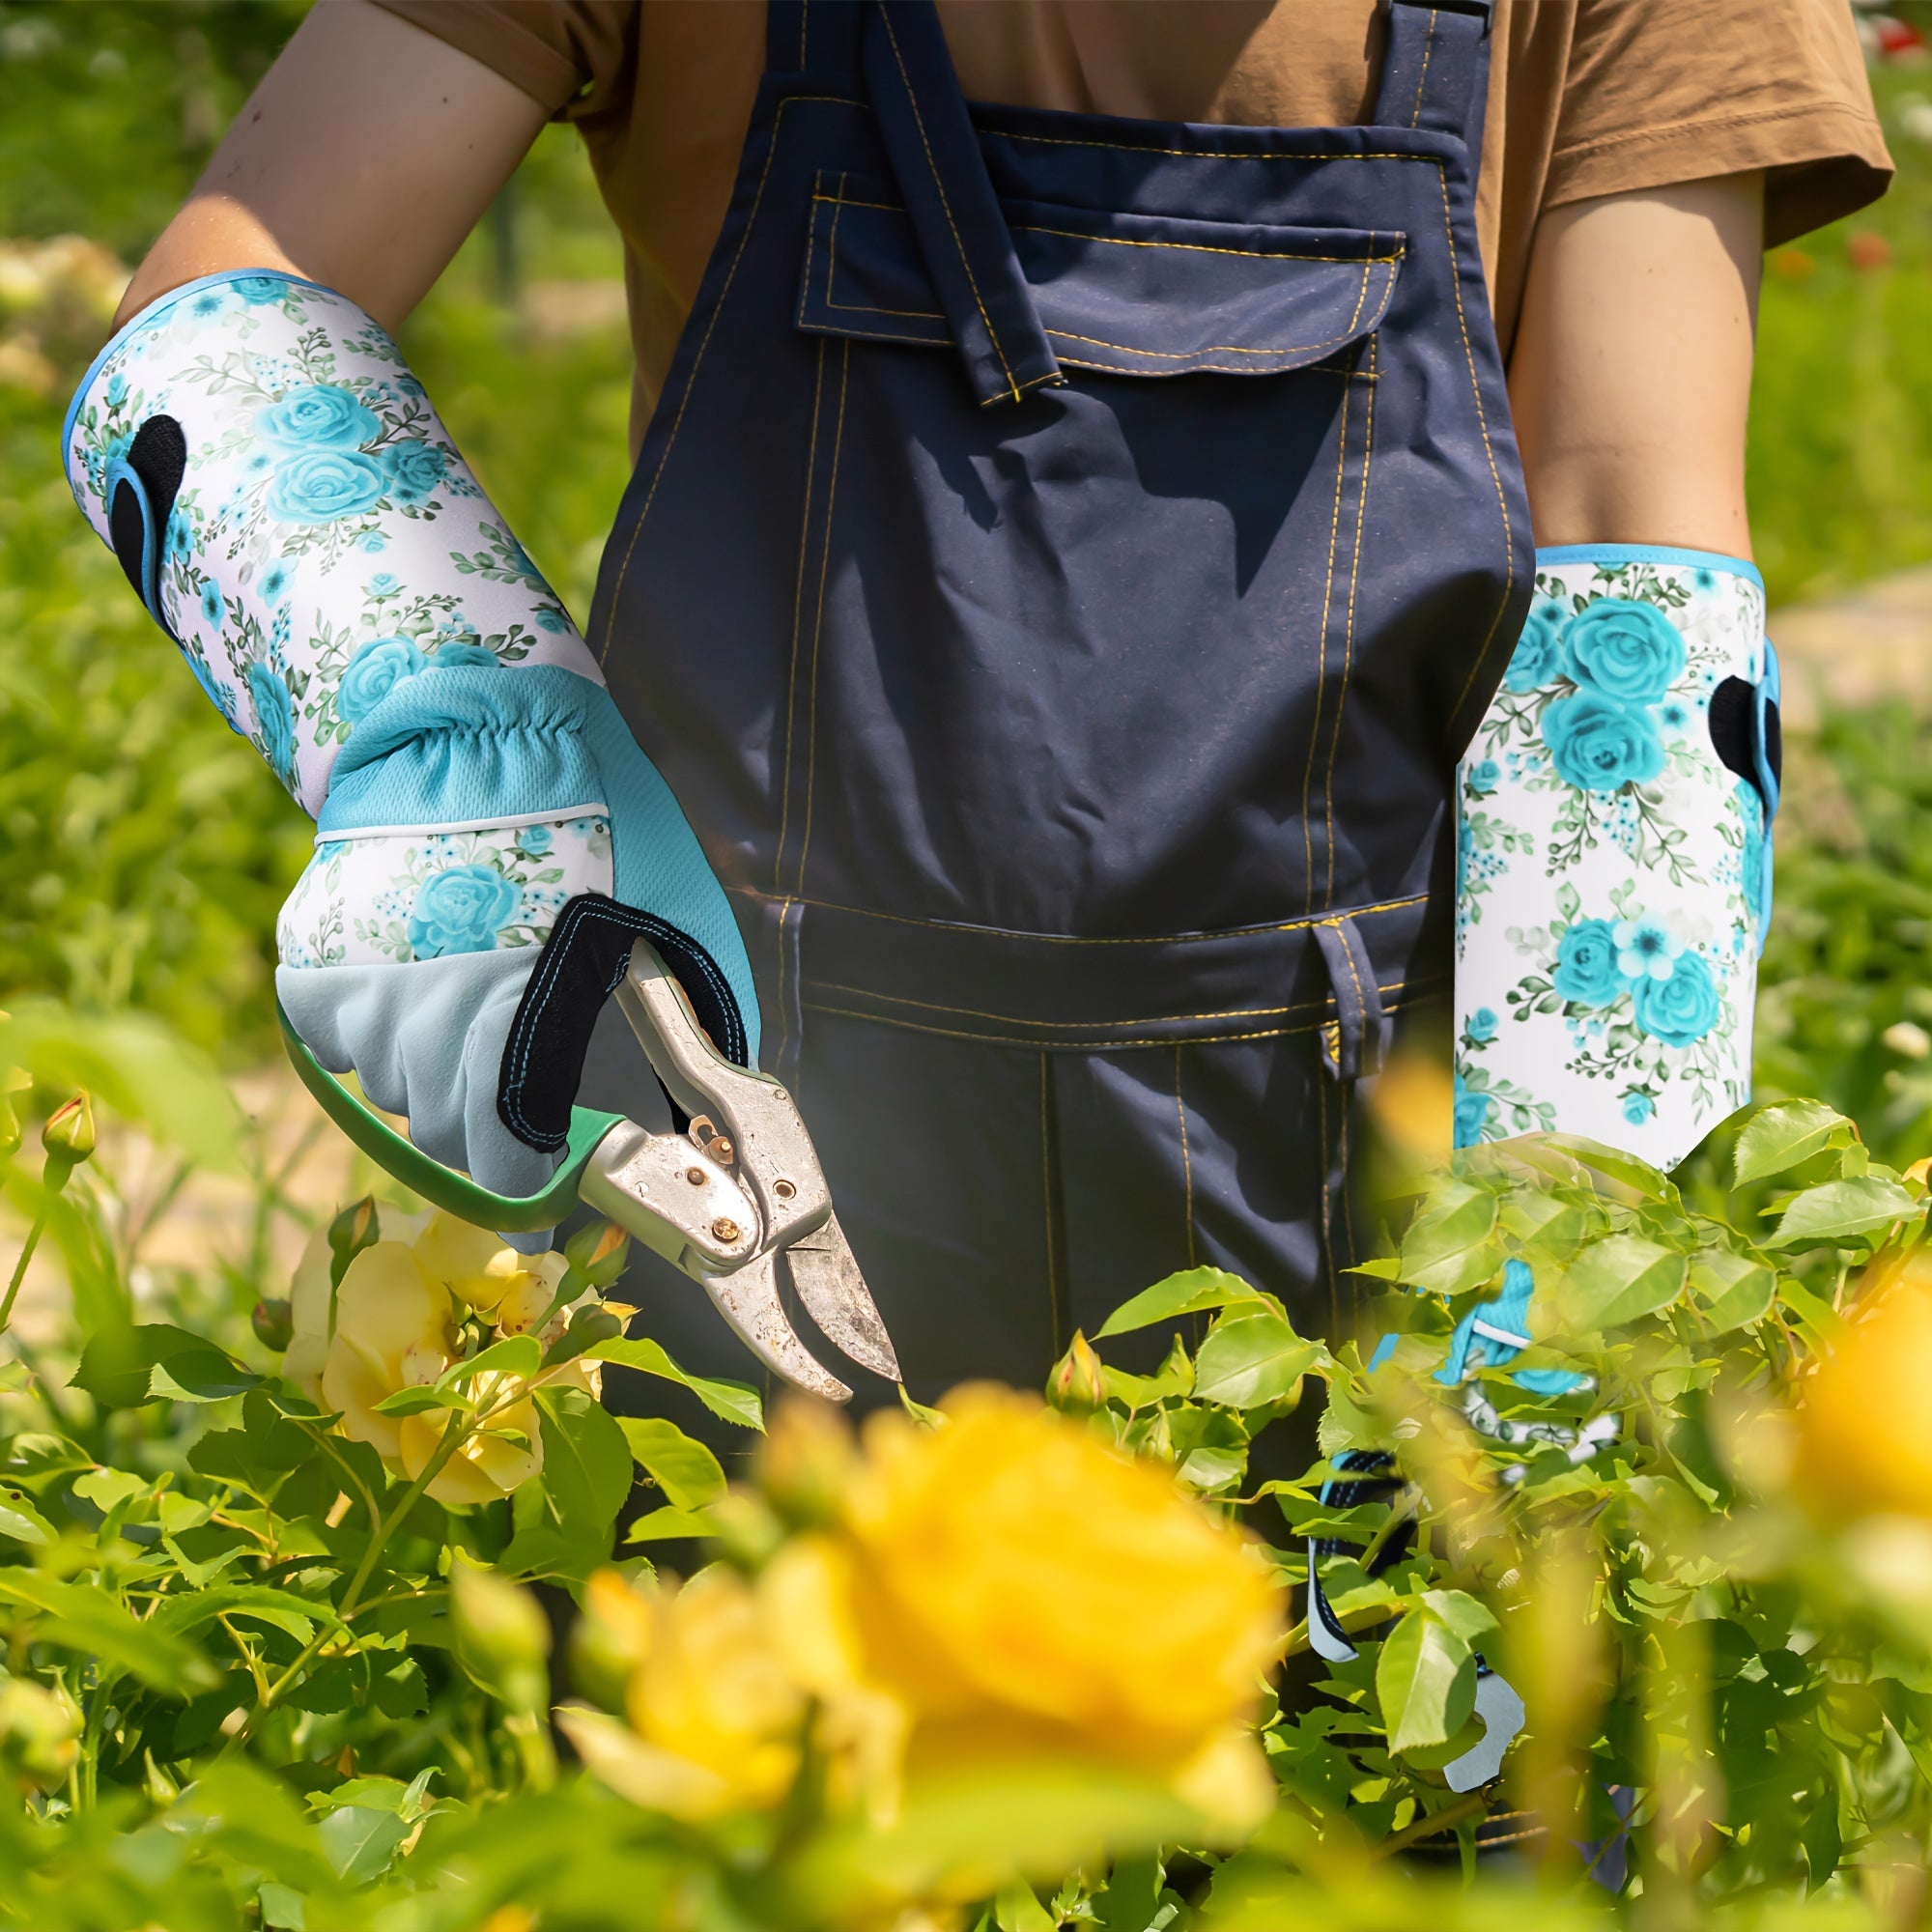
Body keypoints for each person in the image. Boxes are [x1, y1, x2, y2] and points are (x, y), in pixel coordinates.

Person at [74, 0, 1888, 1408]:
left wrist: (1565, 1290)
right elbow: (224, 319)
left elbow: (1633, 596)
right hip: (749, 1153)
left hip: (1384, 1208)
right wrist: (467, 748)